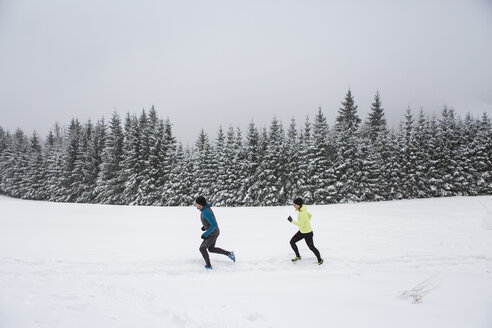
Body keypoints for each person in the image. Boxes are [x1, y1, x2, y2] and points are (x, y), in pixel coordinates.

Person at [195, 196, 235, 269]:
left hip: (212, 233)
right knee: (211, 249)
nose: (195, 204)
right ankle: (229, 254)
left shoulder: (206, 212)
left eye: (196, 203)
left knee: (202, 248)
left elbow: (214, 224)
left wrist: (205, 234)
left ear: (200, 204)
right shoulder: (204, 210)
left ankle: (208, 266)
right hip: (213, 231)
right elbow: (210, 222)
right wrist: (205, 227)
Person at [287, 197, 323, 265]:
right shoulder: (302, 210)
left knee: (311, 247)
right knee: (292, 242)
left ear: (299, 205)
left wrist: (291, 221)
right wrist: (306, 223)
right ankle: (298, 256)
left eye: (295, 205)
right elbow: (310, 216)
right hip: (302, 232)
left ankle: (320, 260)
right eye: (293, 204)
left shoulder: (303, 213)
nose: (294, 206)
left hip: (308, 233)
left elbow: (301, 225)